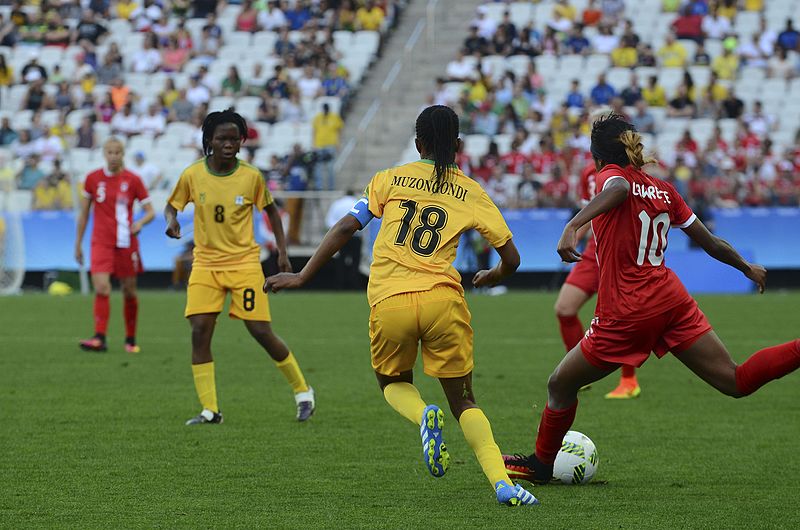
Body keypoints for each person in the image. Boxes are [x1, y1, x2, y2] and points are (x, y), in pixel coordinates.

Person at [503, 113, 799, 484]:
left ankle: (541, 465)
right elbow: (709, 242)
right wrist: (745, 267)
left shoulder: (610, 177)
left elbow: (618, 191)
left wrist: (573, 224)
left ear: (598, 158)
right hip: (671, 300)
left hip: (628, 309)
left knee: (559, 385)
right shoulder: (664, 190)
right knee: (734, 381)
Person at [265, 106, 538, 507]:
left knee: (392, 382)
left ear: (417, 144)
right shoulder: (473, 192)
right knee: (464, 401)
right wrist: (493, 276)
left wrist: (303, 276)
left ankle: (422, 414)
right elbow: (512, 259)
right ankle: (503, 484)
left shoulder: (390, 179)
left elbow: (345, 226)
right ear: (459, 146)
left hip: (390, 301)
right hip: (443, 302)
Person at [164, 109, 315, 425]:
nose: (229, 144)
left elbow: (272, 213)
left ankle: (303, 392)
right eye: (223, 139)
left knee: (260, 331)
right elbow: (171, 205)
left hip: (245, 263)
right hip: (205, 264)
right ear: (210, 141)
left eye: (235, 139)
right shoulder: (193, 175)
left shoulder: (251, 176)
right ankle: (210, 410)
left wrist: (283, 254)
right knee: (199, 331)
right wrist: (172, 220)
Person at [555, 159, 641, 399]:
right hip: (594, 250)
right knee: (564, 308)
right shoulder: (588, 173)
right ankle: (577, 373)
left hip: (621, 249)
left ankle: (629, 381)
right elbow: (586, 216)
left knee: (623, 315)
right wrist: (572, 238)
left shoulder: (628, 171)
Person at [75, 137, 155, 353]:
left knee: (129, 291)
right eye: (110, 152)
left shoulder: (133, 180)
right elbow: (83, 214)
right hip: (100, 241)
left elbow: (151, 212)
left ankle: (130, 339)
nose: (113, 156)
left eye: (117, 152)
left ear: (123, 154)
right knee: (102, 287)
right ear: (104, 154)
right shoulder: (92, 179)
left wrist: (139, 223)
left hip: (126, 242)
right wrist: (78, 244)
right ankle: (99, 337)